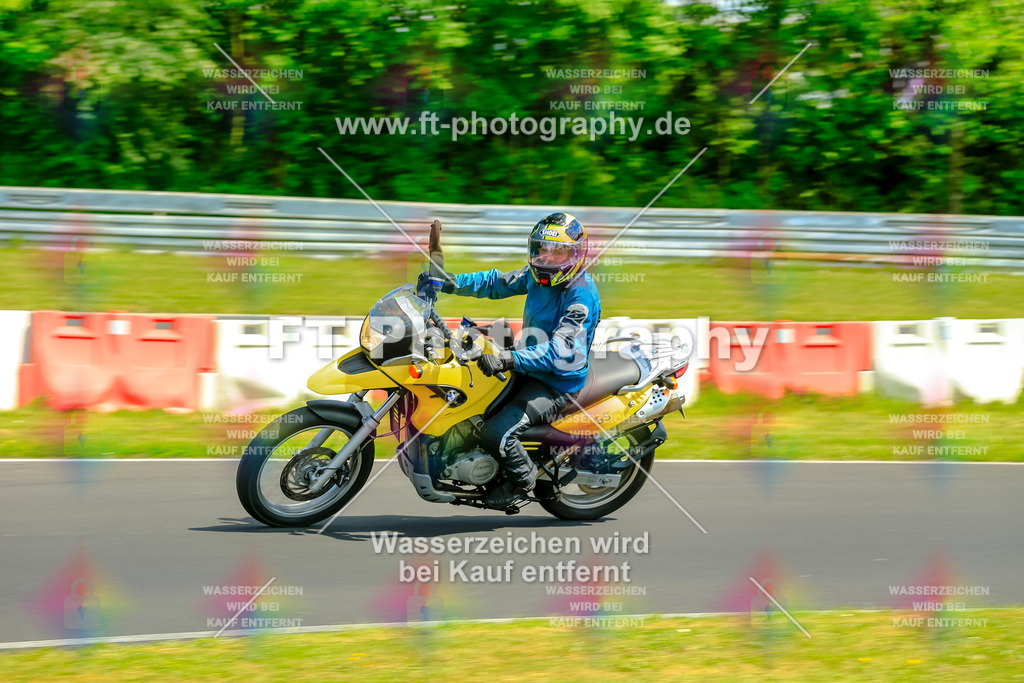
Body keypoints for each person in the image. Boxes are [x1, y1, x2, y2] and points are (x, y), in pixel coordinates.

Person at [418, 212, 601, 507]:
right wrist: (449, 283)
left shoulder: (580, 296)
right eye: (541, 249)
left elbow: (560, 350)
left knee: (497, 432)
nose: (546, 257)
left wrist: (508, 359)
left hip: (556, 382)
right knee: (471, 407)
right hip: (526, 365)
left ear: (576, 255)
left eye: (558, 252)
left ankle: (522, 479)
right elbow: (495, 283)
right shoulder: (536, 276)